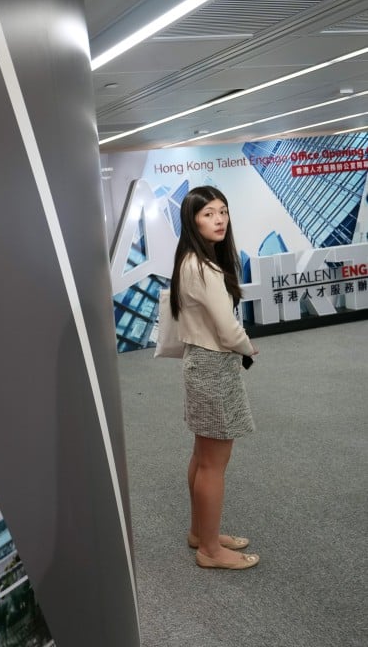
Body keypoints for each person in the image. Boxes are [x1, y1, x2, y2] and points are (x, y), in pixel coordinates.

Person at [169, 186, 260, 570]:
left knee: (202, 456)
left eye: (222, 211)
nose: (219, 219)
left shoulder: (190, 261)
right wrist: (248, 347)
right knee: (213, 463)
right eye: (208, 213)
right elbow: (227, 329)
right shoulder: (203, 267)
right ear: (191, 220)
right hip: (213, 364)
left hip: (201, 363)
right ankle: (210, 550)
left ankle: (200, 534)